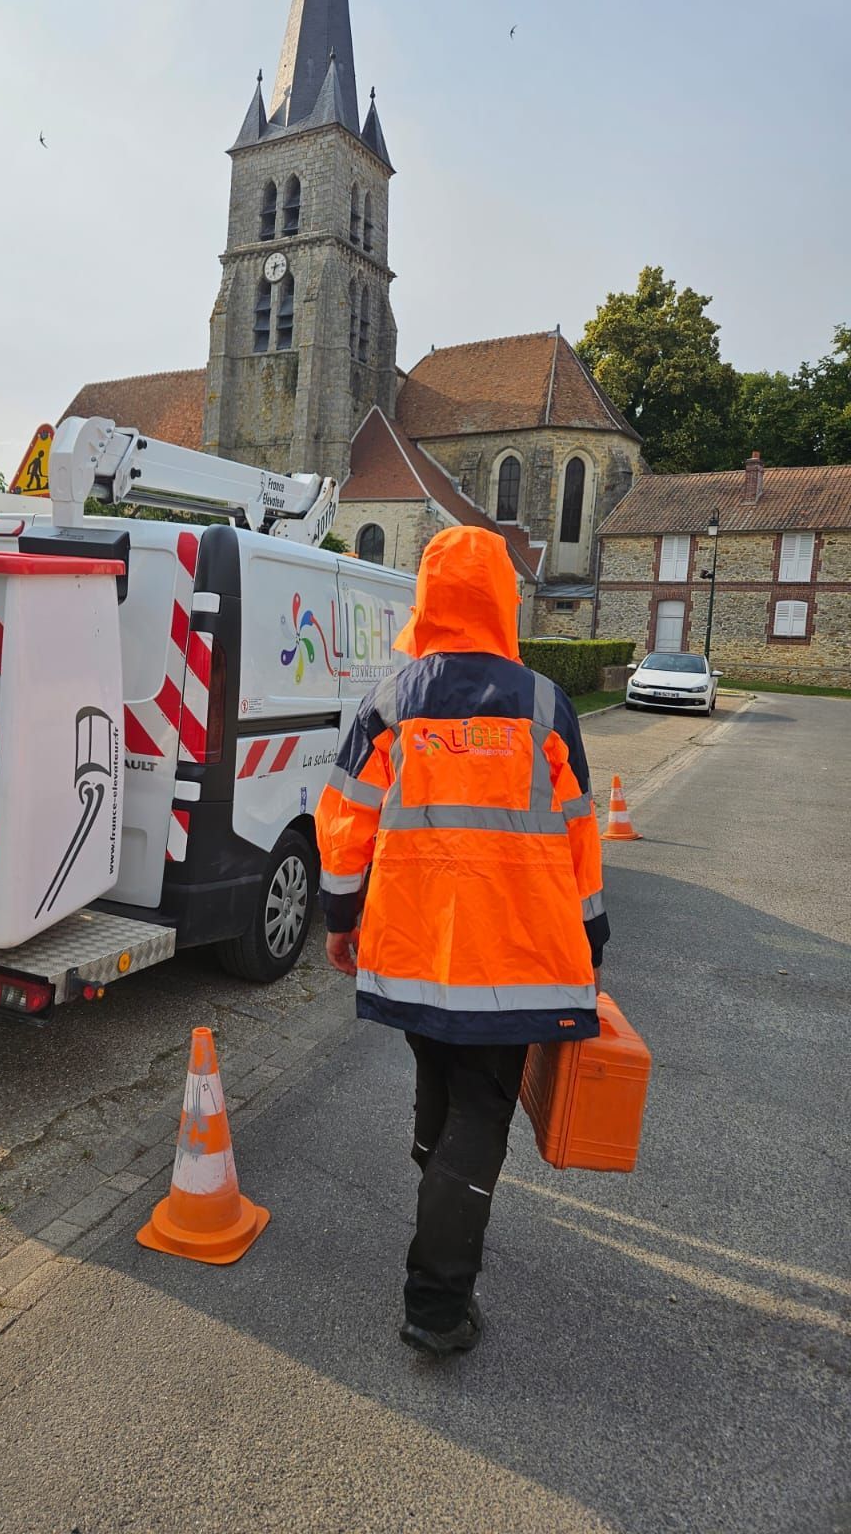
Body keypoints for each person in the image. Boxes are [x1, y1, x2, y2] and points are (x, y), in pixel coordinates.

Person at [315, 525, 608, 1358]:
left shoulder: (391, 701)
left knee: (437, 1080)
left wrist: (342, 923)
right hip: (515, 957)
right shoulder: (546, 705)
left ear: (430, 600)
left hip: (414, 948)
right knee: (480, 1111)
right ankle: (437, 1306)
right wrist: (592, 938)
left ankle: (446, 1205)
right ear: (503, 601)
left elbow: (344, 822)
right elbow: (581, 837)